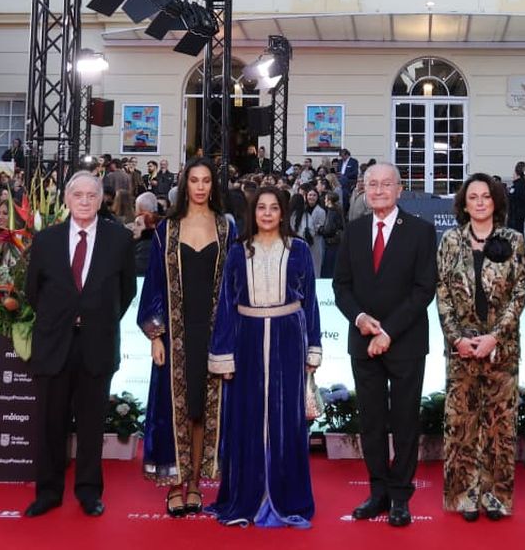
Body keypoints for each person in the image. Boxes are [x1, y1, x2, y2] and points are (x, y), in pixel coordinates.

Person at [23, 170, 138, 519]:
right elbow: (33, 291)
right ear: (67, 200)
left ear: (101, 200)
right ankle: (48, 492)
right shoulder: (46, 240)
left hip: (97, 344)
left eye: (91, 195)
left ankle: (89, 492)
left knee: (91, 425)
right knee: (50, 424)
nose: (85, 201)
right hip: (54, 344)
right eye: (78, 195)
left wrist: (96, 318)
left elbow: (126, 291)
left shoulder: (119, 240)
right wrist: (63, 317)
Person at [208, 185, 322, 527]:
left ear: (283, 212)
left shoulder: (299, 249)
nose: (268, 213)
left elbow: (311, 302)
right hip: (247, 338)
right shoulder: (237, 251)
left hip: (289, 339)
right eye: (261, 208)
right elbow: (225, 304)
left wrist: (313, 347)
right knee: (247, 417)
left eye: (274, 207)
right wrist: (223, 353)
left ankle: (287, 497)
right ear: (252, 213)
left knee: (287, 420)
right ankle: (248, 496)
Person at [332, 162, 438, 528]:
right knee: (372, 422)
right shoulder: (354, 231)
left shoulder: (421, 232)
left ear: (399, 189)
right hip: (362, 342)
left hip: (405, 342)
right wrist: (360, 319)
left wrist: (388, 331)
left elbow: (424, 288)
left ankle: (400, 497)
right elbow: (341, 285)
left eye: (385, 184)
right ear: (364, 190)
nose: (378, 190)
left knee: (405, 421)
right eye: (372, 185)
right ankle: (377, 492)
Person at [137, 157, 237, 517]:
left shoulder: (226, 228)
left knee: (203, 409)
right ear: (185, 185)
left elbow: (235, 284)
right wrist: (156, 336)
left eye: (206, 181)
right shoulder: (167, 229)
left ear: (213, 186)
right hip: (175, 334)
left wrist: (233, 336)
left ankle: (195, 483)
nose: (200, 187)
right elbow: (153, 282)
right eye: (194, 180)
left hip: (214, 332)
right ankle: (175, 485)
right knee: (174, 408)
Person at [435, 173, 525, 521]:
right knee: (462, 422)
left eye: (485, 196)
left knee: (500, 425)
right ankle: (465, 496)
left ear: (495, 201)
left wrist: (495, 337)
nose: (479, 202)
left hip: (501, 348)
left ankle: (496, 497)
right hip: (460, 348)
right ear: (463, 204)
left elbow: (519, 294)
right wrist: (457, 338)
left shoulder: (513, 240)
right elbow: (442, 293)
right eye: (472, 197)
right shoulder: (450, 240)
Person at [505, 161, 525, 233]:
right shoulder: (519, 185)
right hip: (516, 214)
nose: (512, 175)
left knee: (516, 232)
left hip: (515, 215)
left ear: (517, 175)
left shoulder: (518, 186)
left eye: (514, 174)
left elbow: (523, 200)